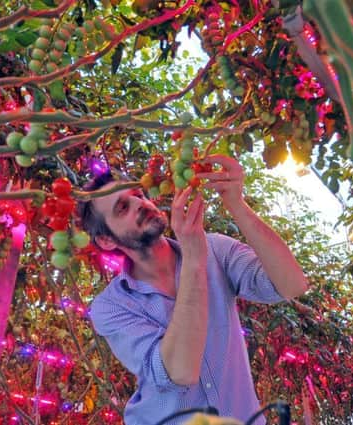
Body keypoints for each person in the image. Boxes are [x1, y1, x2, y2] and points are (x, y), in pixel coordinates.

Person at [77, 154, 308, 425]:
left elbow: (292, 284)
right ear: (106, 240)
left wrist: (236, 203)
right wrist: (194, 258)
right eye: (122, 208)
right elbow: (180, 372)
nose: (140, 203)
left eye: (138, 194)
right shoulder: (111, 306)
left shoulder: (216, 249)